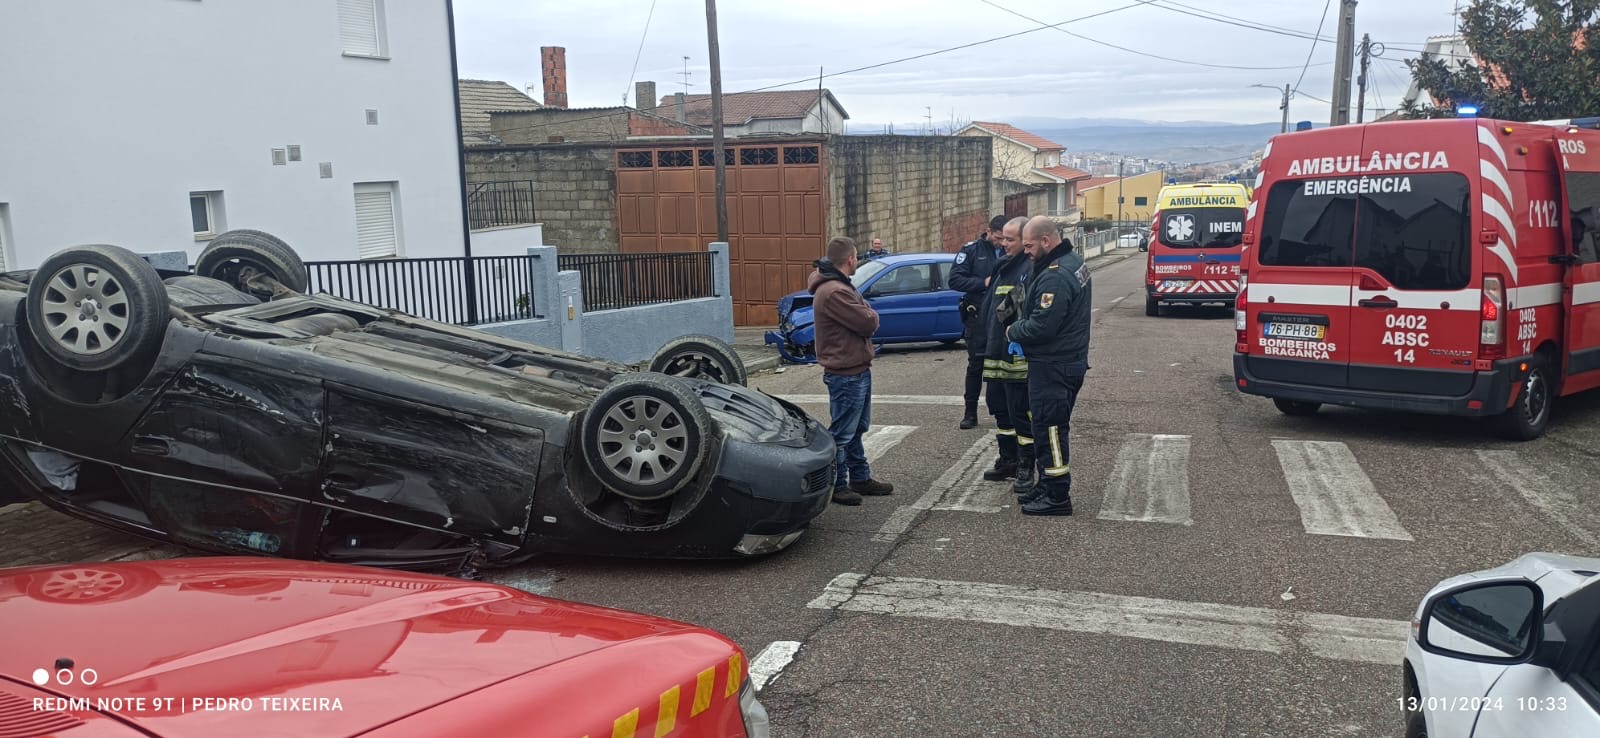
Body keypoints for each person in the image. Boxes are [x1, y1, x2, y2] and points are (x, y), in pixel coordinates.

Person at [1005, 216, 1091, 516]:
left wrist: (1013, 331)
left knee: (1050, 428)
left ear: (1046, 240)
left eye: (1029, 245)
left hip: (1054, 364)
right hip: (1062, 361)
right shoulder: (1070, 261)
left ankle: (1057, 494)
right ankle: (1046, 483)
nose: (1026, 251)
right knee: (1045, 426)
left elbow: (1043, 325)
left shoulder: (1056, 275)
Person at [808, 236, 894, 506]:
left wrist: (868, 313)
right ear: (850, 259)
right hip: (846, 373)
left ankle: (860, 477)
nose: (857, 260)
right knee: (843, 432)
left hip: (856, 368)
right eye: (856, 256)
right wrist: (871, 314)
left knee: (856, 429)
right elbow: (868, 321)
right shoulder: (834, 291)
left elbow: (865, 315)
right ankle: (837, 484)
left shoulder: (841, 285)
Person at [977, 217, 1036, 498]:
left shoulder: (1029, 269)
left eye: (1010, 240)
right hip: (995, 350)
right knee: (998, 407)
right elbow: (992, 308)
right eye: (1002, 239)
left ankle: (1026, 465)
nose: (1003, 244)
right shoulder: (1004, 266)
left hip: (1016, 356)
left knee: (1020, 413)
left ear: (1025, 241)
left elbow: (1014, 308)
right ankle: (1008, 458)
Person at [947, 215, 1010, 429]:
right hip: (978, 317)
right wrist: (982, 283)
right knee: (976, 365)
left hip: (1004, 316)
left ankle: (1005, 410)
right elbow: (955, 279)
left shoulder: (1012, 250)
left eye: (1005, 238)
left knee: (1004, 364)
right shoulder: (971, 250)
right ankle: (970, 413)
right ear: (988, 231)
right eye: (998, 238)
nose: (1002, 243)